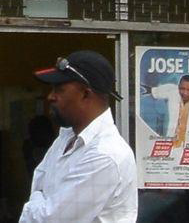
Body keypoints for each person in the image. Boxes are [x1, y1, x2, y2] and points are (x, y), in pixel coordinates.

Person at [19, 50, 137, 222]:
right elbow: (38, 183)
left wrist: (38, 199)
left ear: (85, 94)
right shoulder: (66, 137)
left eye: (59, 89)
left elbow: (50, 219)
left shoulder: (105, 154)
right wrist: (41, 199)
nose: (50, 97)